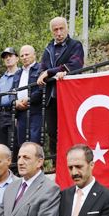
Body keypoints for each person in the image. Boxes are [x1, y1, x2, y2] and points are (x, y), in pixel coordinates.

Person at [36, 17, 84, 157]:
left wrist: (50, 72)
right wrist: (53, 73)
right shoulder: (48, 49)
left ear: (66, 28)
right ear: (52, 32)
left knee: (70, 129)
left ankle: (73, 162)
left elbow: (75, 65)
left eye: (61, 28)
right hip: (52, 96)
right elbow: (41, 71)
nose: (59, 32)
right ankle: (56, 164)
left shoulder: (75, 45)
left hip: (70, 95)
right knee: (52, 132)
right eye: (55, 30)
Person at [12, 45, 43, 147]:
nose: (24, 57)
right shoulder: (17, 73)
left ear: (34, 55)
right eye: (22, 55)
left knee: (34, 141)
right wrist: (15, 102)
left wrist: (29, 99)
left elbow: (42, 89)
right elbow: (12, 92)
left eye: (27, 54)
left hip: (35, 111)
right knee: (22, 142)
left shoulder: (40, 69)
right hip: (20, 112)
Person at [0, 47, 19, 148]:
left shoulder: (21, 74)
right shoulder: (2, 78)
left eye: (10, 56)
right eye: (5, 57)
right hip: (2, 113)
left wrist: (18, 115)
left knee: (13, 144)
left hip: (14, 111)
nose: (8, 59)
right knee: (1, 144)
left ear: (17, 58)